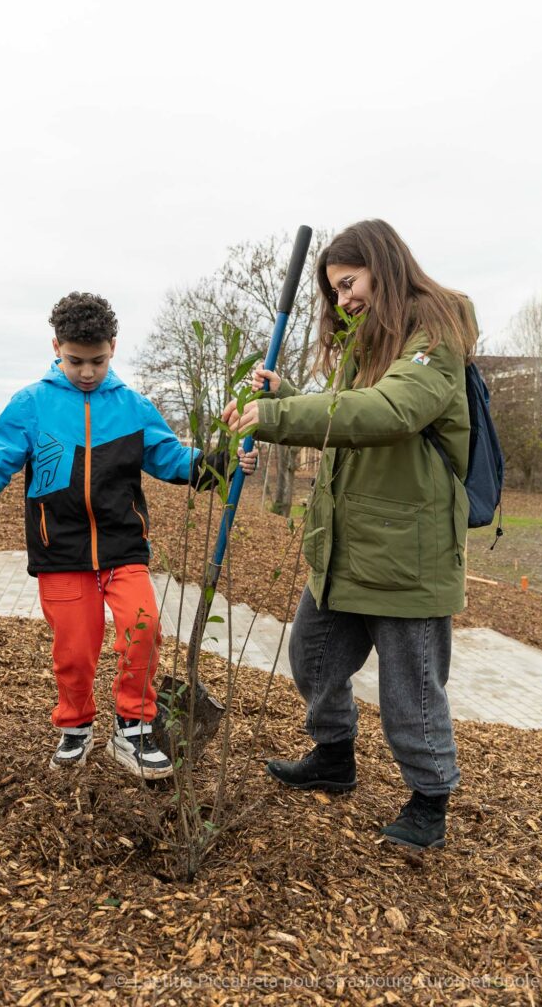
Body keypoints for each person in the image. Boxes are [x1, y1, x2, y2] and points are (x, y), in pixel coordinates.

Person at [222, 220, 478, 850]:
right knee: (312, 657)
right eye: (334, 292)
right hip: (346, 544)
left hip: (406, 550)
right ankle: (334, 758)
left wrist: (279, 415)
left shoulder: (434, 333)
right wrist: (290, 394)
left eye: (349, 283)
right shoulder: (369, 343)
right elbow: (347, 413)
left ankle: (429, 798)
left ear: (382, 268)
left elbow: (390, 411)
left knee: (410, 689)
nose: (343, 301)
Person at [0, 292, 257, 779]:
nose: (87, 372)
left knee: (144, 628)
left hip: (122, 547)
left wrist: (225, 463)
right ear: (56, 347)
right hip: (59, 550)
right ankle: (76, 726)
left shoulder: (132, 407)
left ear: (113, 349)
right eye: (75, 361)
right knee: (75, 649)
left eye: (98, 361)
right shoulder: (32, 404)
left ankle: (133, 727)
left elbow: (173, 459)